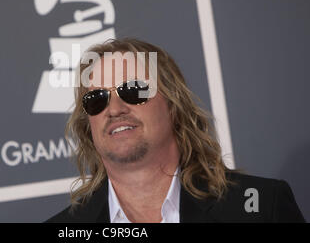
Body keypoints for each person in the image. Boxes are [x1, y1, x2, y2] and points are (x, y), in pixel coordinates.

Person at [46, 38, 305, 223]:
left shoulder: (261, 208)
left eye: (134, 90)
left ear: (173, 105)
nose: (114, 109)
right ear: (87, 124)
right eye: (97, 99)